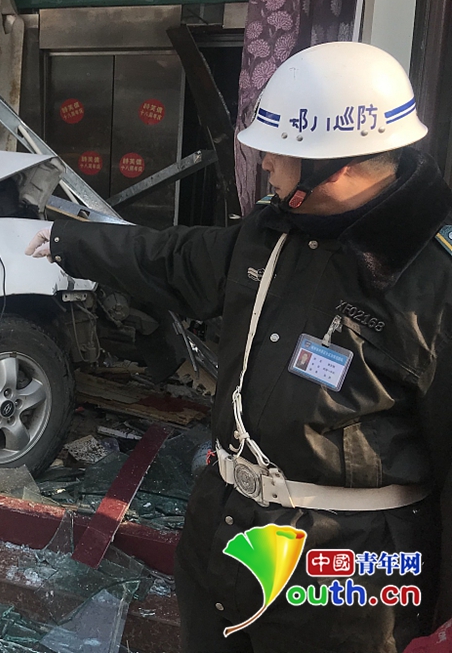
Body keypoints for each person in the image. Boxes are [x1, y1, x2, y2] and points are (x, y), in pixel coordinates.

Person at [27, 41, 452, 653]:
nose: (265, 164)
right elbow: (175, 259)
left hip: (347, 570)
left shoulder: (433, 281)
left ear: (335, 165)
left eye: (278, 153)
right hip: (225, 527)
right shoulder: (275, 231)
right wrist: (68, 241)